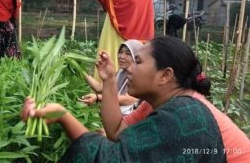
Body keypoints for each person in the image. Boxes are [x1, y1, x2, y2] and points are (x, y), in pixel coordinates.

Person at [21, 36, 250, 162]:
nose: (129, 67)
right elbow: (116, 132)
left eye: (138, 62)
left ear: (165, 75)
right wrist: (109, 80)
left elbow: (114, 160)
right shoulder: (158, 103)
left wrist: (63, 115)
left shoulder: (183, 115)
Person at [79, 40, 143, 115]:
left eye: (128, 53)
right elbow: (100, 88)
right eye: (120, 52)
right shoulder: (120, 73)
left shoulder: (140, 77)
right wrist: (80, 69)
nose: (121, 56)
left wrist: (97, 98)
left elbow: (128, 99)